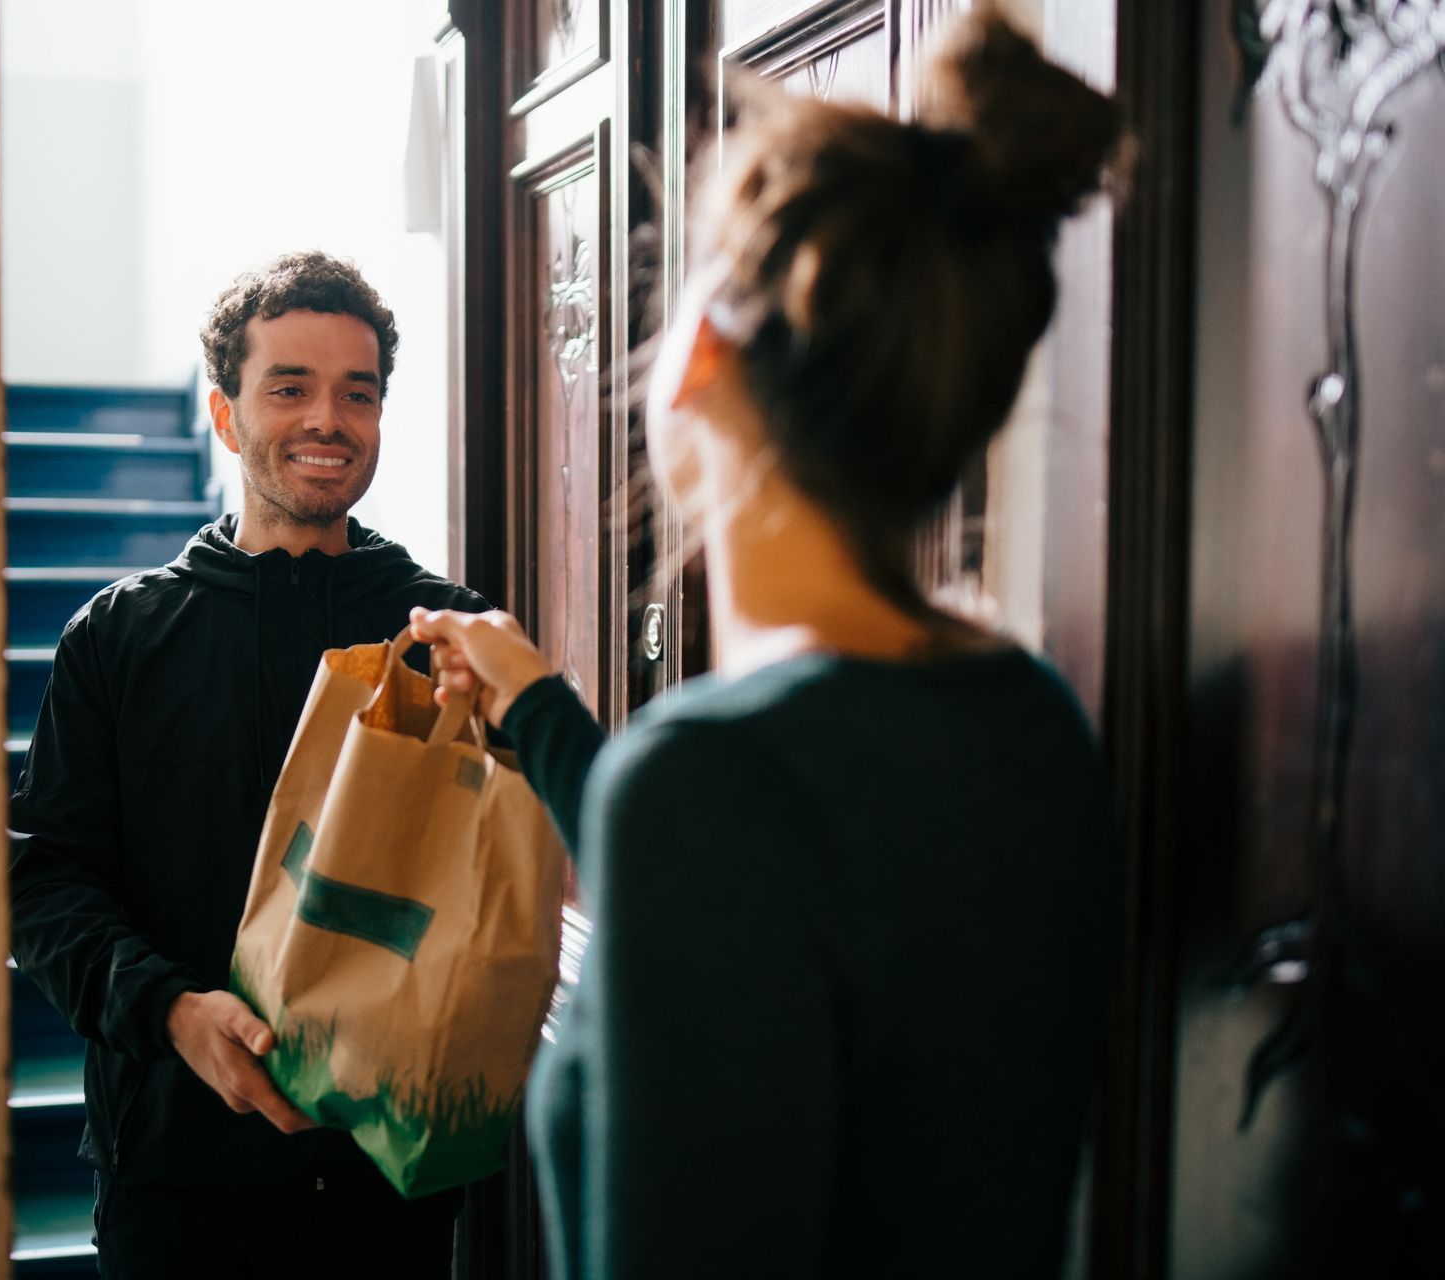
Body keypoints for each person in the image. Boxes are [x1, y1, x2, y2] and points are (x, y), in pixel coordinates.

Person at [411, 12, 1127, 1277]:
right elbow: (779, 894)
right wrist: (534, 704)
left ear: (696, 354)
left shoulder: (711, 782)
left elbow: (736, 850)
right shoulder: (1028, 714)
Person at [10, 251, 487, 1278]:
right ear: (226, 417)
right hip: (179, 1174)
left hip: (391, 1175)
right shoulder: (119, 637)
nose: (329, 419)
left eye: (357, 393)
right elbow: (43, 879)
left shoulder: (448, 634)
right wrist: (172, 1011)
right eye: (291, 387)